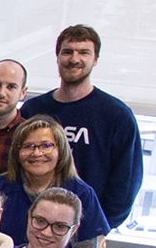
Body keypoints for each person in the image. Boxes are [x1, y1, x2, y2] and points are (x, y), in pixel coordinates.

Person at [19, 25, 143, 228]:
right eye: (67, 52)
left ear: (95, 59)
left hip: (87, 228)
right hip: (33, 227)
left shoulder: (117, 115)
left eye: (83, 52)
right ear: (57, 57)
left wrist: (101, 227)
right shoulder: (33, 109)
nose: (74, 59)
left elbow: (126, 183)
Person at [0, 115, 110, 248]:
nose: (37, 153)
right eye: (28, 146)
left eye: (46, 146)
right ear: (16, 153)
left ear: (61, 150)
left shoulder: (82, 194)